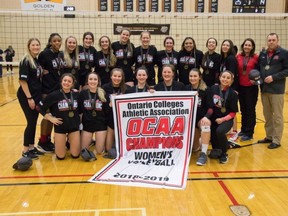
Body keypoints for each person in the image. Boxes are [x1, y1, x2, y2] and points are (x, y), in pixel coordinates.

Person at [37, 73, 81, 160]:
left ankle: (70, 141)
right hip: (60, 127)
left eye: (69, 81)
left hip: (74, 127)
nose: (66, 83)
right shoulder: (54, 95)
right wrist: (50, 118)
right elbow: (39, 107)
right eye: (65, 81)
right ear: (61, 82)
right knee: (61, 156)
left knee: (75, 155)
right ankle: (60, 140)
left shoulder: (77, 95)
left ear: (72, 84)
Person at [257, 33, 288, 149]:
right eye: (269, 40)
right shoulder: (263, 54)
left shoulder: (284, 53)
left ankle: (276, 140)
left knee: (277, 116)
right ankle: (269, 136)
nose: (271, 42)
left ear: (277, 41)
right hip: (264, 89)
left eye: (273, 40)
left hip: (277, 90)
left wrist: (274, 77)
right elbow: (259, 68)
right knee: (267, 115)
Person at [17, 38, 44, 159]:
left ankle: (32, 148)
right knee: (31, 122)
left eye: (37, 45)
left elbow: (36, 75)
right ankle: (25, 150)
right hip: (27, 96)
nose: (36, 47)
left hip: (35, 95)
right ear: (29, 46)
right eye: (33, 45)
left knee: (33, 122)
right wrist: (29, 98)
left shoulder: (35, 60)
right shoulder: (26, 60)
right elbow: (23, 81)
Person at [37, 33, 63, 153]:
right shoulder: (44, 54)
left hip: (56, 89)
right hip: (46, 89)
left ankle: (47, 140)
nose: (57, 43)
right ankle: (42, 141)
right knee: (47, 116)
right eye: (55, 41)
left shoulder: (60, 54)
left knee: (52, 116)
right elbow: (38, 68)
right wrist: (42, 71)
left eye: (59, 41)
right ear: (50, 42)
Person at [206, 71, 238, 164]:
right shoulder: (213, 89)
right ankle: (217, 149)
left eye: (228, 78)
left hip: (226, 120)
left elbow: (233, 113)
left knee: (220, 131)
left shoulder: (233, 94)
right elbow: (209, 103)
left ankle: (224, 153)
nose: (225, 79)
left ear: (231, 81)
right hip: (214, 118)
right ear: (219, 78)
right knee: (212, 132)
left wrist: (223, 119)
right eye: (223, 77)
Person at [185, 68, 211, 166]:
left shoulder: (206, 89)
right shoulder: (186, 88)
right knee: (194, 148)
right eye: (191, 76)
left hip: (200, 119)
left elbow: (211, 108)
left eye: (195, 76)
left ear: (200, 77)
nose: (193, 78)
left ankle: (203, 153)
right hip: (190, 122)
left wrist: (206, 117)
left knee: (206, 124)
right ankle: (198, 144)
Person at [78, 72, 107, 155]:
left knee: (99, 151)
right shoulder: (82, 94)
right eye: (90, 79)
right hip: (87, 125)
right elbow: (79, 110)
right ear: (87, 81)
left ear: (98, 81)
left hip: (101, 125)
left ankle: (102, 144)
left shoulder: (103, 93)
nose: (93, 81)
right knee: (83, 151)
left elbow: (107, 111)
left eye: (95, 79)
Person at [236, 38, 259, 141]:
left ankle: (249, 133)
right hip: (241, 87)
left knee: (250, 110)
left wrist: (257, 80)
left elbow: (260, 71)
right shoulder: (238, 56)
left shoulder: (256, 57)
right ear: (243, 45)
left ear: (252, 47)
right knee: (243, 109)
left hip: (251, 88)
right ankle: (243, 129)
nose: (247, 47)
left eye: (249, 45)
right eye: (246, 45)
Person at [102, 68, 128, 153]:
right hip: (110, 120)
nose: (117, 78)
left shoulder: (127, 89)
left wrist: (150, 91)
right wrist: (109, 105)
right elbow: (103, 108)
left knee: (124, 149)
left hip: (123, 121)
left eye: (119, 76)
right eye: (115, 76)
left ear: (122, 77)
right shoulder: (105, 88)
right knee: (108, 149)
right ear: (111, 76)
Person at [220, 39, 239, 142]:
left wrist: (234, 89)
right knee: (225, 108)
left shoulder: (231, 58)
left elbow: (232, 75)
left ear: (230, 47)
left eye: (227, 45)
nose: (225, 46)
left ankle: (235, 132)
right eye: (224, 45)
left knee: (232, 109)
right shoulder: (223, 58)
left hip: (231, 88)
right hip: (224, 87)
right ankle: (229, 130)